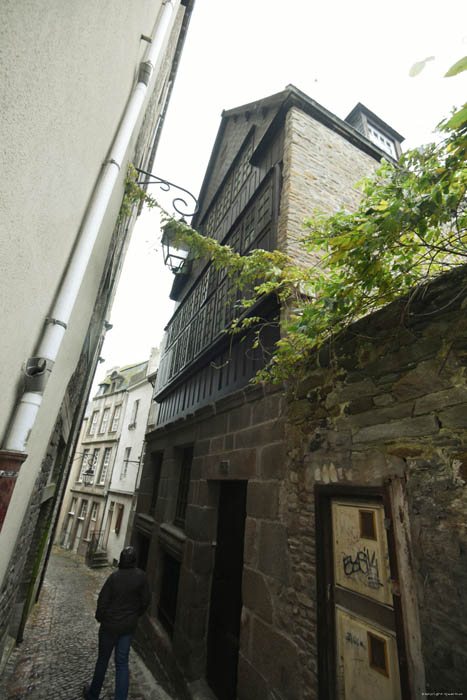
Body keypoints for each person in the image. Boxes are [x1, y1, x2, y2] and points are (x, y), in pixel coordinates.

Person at [83, 546, 150, 700]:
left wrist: (102, 618)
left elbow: (102, 602)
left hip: (109, 627)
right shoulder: (141, 577)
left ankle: (93, 695)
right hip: (127, 628)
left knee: (102, 661)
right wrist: (134, 615)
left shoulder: (114, 578)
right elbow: (146, 601)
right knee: (122, 664)